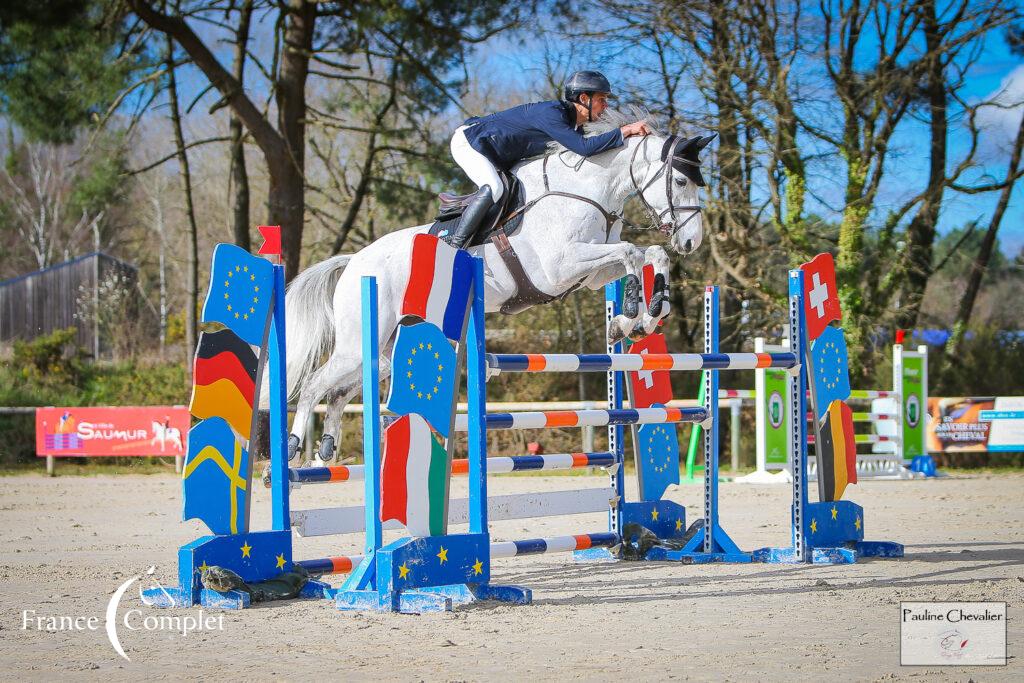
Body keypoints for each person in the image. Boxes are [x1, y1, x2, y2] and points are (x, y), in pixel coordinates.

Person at [447, 70, 652, 249]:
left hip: (498, 155)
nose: (606, 106)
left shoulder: (573, 126)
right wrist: (625, 130)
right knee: (494, 188)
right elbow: (584, 148)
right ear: (583, 98)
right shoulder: (552, 115)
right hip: (470, 142)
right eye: (602, 99)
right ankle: (456, 246)